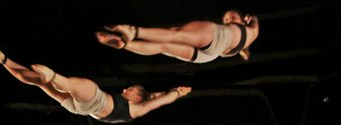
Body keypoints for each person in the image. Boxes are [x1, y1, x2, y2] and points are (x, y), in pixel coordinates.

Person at [0, 43, 191, 123]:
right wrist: (172, 91)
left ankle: (53, 76)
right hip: (80, 109)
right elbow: (156, 96)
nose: (126, 89)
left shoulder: (137, 109)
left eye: (131, 89)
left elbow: (158, 101)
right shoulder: (134, 106)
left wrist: (177, 93)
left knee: (85, 85)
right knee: (38, 82)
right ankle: (3, 60)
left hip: (94, 102)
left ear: (138, 97)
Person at [97, 10, 259, 63]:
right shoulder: (241, 42)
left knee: (174, 35)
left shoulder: (251, 30)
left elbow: (255, 20)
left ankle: (133, 31)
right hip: (209, 55)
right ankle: (124, 44)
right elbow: (225, 53)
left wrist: (252, 19)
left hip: (217, 40)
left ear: (242, 19)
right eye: (226, 19)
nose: (228, 19)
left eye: (231, 17)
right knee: (164, 45)